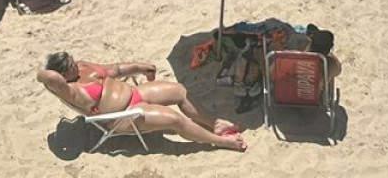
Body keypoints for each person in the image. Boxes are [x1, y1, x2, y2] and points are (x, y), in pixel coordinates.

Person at [38, 53, 247, 151]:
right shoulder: (70, 91)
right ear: (62, 76)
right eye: (70, 67)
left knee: (180, 92)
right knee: (176, 120)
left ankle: (214, 123)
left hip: (136, 93)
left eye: (73, 62)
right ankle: (221, 142)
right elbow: (46, 77)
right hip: (124, 117)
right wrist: (43, 68)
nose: (76, 66)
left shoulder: (82, 66)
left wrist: (139, 67)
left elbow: (114, 70)